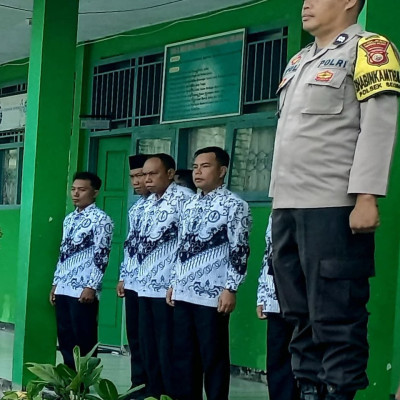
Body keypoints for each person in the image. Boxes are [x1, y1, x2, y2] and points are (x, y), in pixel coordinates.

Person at [269, 0, 400, 399]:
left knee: (336, 315)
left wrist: (367, 196)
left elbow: (378, 127)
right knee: (298, 314)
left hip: (333, 207)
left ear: (349, 2)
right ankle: (309, 390)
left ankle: (340, 393)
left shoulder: (370, 50)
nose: (306, 3)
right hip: (288, 206)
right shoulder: (299, 60)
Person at [167, 146, 251, 400]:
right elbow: (180, 247)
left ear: (222, 170)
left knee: (213, 357)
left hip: (212, 295)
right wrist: (174, 282)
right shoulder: (189, 204)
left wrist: (231, 288)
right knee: (184, 356)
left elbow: (240, 248)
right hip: (183, 292)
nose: (198, 171)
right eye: (195, 166)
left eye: (205, 166)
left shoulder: (235, 205)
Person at [136, 154, 193, 398]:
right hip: (144, 286)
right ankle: (153, 392)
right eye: (144, 174)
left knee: (168, 347)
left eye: (153, 174)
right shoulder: (147, 204)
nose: (147, 179)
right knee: (147, 345)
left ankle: (171, 394)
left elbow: (187, 244)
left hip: (168, 290)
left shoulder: (184, 200)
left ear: (170, 174)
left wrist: (176, 282)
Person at [50, 172, 114, 369]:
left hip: (83, 289)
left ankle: (84, 382)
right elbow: (63, 253)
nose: (76, 194)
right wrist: (55, 283)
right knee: (65, 336)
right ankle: (68, 380)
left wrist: (91, 286)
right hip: (64, 287)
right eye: (73, 189)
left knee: (84, 337)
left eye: (82, 190)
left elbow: (101, 255)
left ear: (94, 193)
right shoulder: (69, 219)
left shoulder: (101, 220)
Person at [116, 154, 150, 399]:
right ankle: (137, 385)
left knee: (152, 339)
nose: (137, 181)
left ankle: (153, 387)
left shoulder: (175, 203)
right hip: (133, 282)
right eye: (133, 177)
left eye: (141, 176)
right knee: (135, 337)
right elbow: (131, 245)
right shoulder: (136, 207)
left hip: (156, 286)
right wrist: (123, 275)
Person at [256, 215, 299, 400]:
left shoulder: (308, 210)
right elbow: (268, 256)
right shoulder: (275, 215)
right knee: (277, 357)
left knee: (302, 357)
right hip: (275, 297)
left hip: (302, 297)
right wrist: (262, 296)